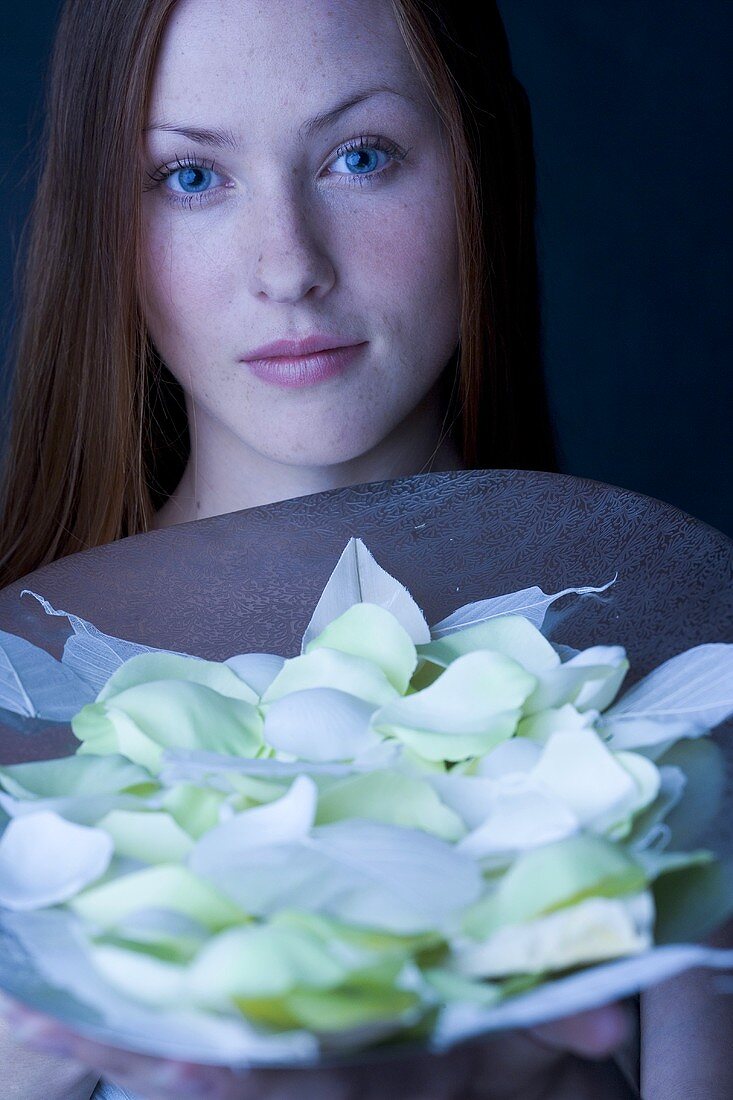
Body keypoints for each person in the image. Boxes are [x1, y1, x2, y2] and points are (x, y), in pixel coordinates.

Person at [0, 1, 729, 1097]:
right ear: (103, 215)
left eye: (359, 156)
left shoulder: (696, 703)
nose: (287, 266)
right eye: (192, 177)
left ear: (477, 165)